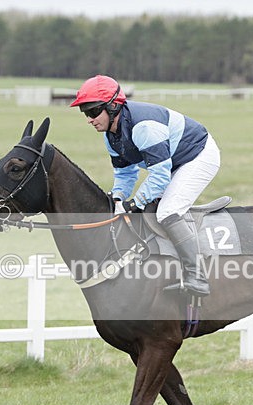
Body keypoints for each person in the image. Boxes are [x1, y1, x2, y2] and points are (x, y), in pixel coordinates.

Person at [70, 75, 221, 298]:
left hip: (197, 157)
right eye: (85, 113)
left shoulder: (144, 127)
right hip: (173, 162)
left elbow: (159, 177)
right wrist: (118, 197)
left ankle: (196, 275)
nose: (89, 119)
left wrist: (133, 203)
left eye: (93, 112)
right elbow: (125, 173)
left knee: (168, 212)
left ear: (113, 106)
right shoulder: (110, 135)